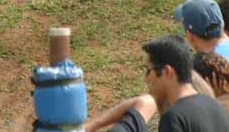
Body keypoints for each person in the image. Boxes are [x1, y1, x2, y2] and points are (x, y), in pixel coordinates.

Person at [84, 34, 229, 131]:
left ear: (166, 71)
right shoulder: (213, 105)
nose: (145, 78)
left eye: (148, 70)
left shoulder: (174, 117)